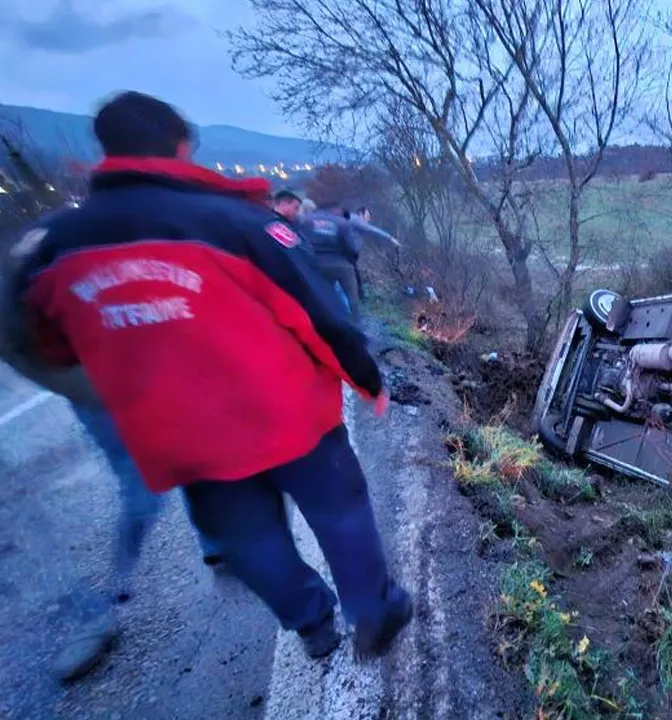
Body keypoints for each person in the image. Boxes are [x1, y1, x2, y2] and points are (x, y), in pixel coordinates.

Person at [6, 91, 412, 662]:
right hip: (287, 415)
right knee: (339, 509)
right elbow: (317, 313)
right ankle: (372, 612)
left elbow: (44, 342)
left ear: (108, 150)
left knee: (248, 540)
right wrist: (366, 378)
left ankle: (312, 623)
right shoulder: (234, 222)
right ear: (179, 147)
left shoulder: (55, 246)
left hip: (181, 440)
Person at [0, 256, 222, 682]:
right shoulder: (30, 265)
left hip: (143, 376)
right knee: (141, 492)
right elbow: (19, 346)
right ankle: (99, 610)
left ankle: (215, 541)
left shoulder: (82, 235)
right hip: (100, 396)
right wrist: (108, 390)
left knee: (188, 451)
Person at [303, 201, 364, 321]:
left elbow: (301, 242)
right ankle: (355, 325)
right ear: (336, 209)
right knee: (352, 297)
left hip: (316, 264)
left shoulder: (306, 221)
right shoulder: (342, 223)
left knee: (318, 295)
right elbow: (351, 248)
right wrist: (352, 258)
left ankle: (319, 322)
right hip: (340, 265)